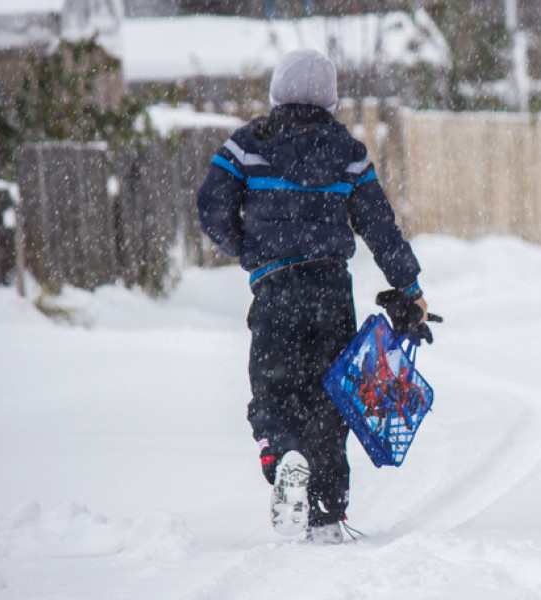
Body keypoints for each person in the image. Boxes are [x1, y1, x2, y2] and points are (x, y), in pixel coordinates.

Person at [197, 48, 429, 545]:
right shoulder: (347, 152)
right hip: (330, 291)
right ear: (331, 98)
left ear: (276, 91)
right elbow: (380, 228)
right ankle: (325, 507)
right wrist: (408, 289)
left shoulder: (246, 146)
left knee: (274, 390)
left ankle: (283, 455)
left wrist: (251, 251)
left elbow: (211, 207)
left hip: (276, 288)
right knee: (330, 397)